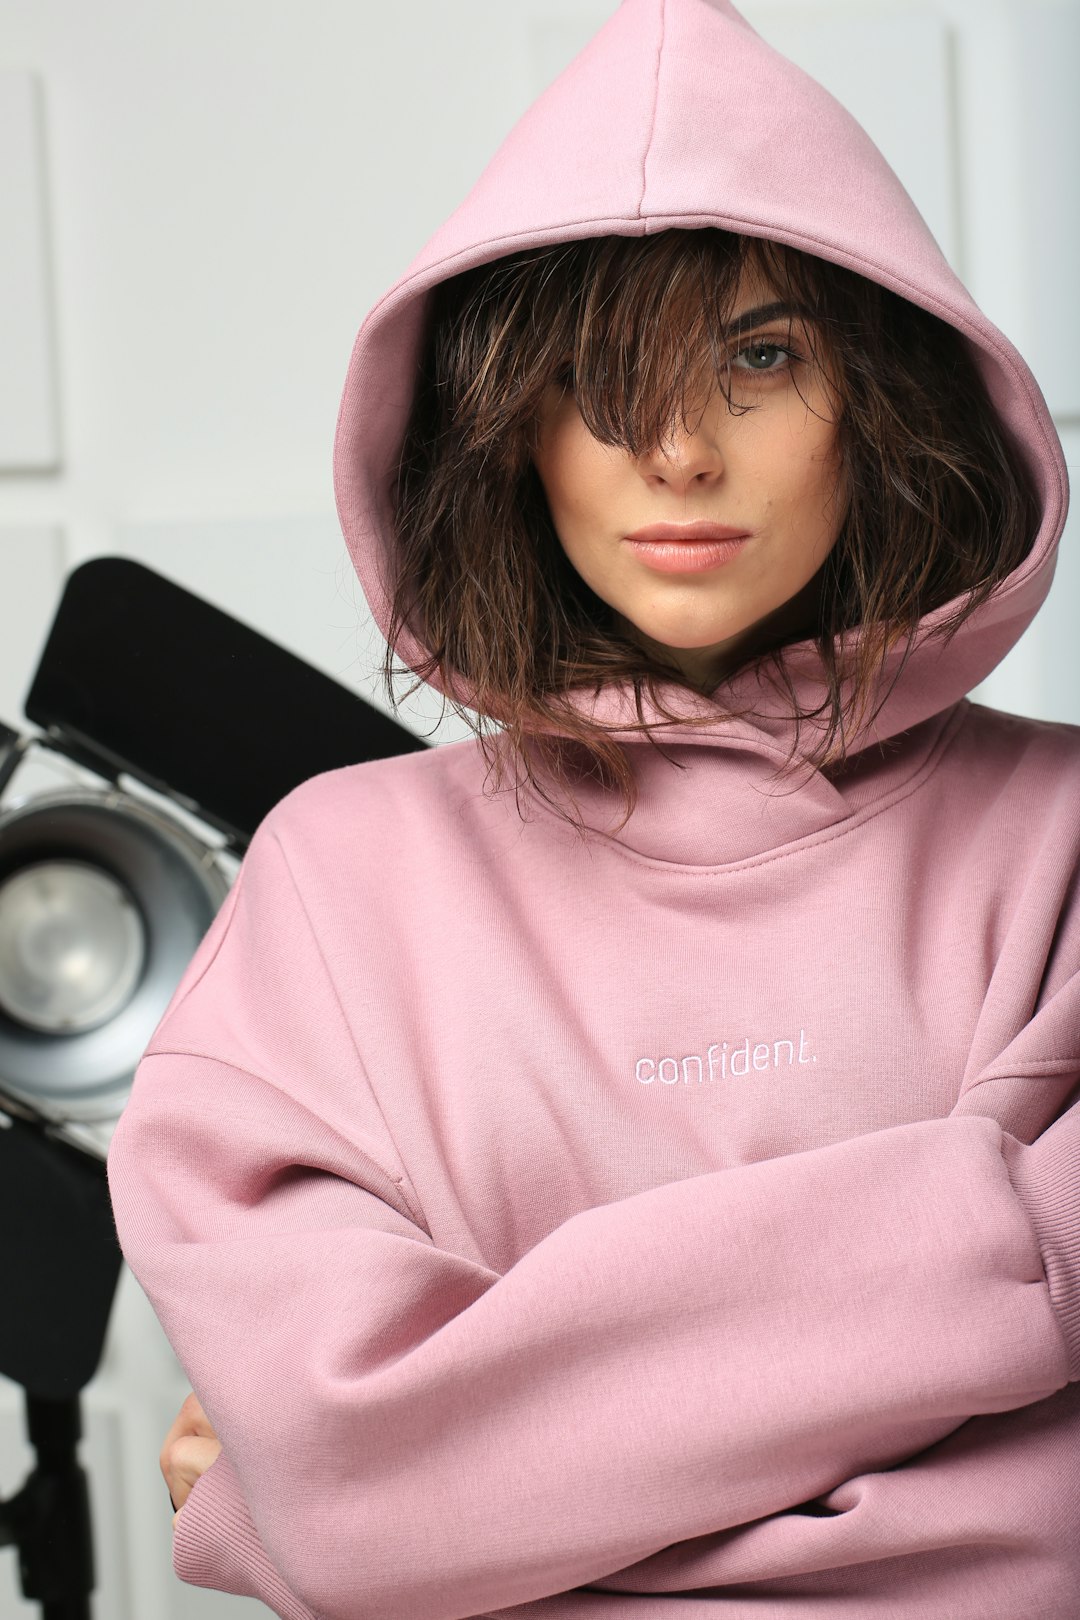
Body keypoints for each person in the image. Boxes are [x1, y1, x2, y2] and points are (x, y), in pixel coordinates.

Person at [107, 0, 1079, 1616]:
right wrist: (1006, 1269)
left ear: (887, 400)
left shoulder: (1059, 841)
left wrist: (364, 1513)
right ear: (502, 430)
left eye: (761, 356)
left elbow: (1054, 1543)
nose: (680, 451)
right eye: (589, 374)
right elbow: (359, 1475)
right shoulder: (344, 881)